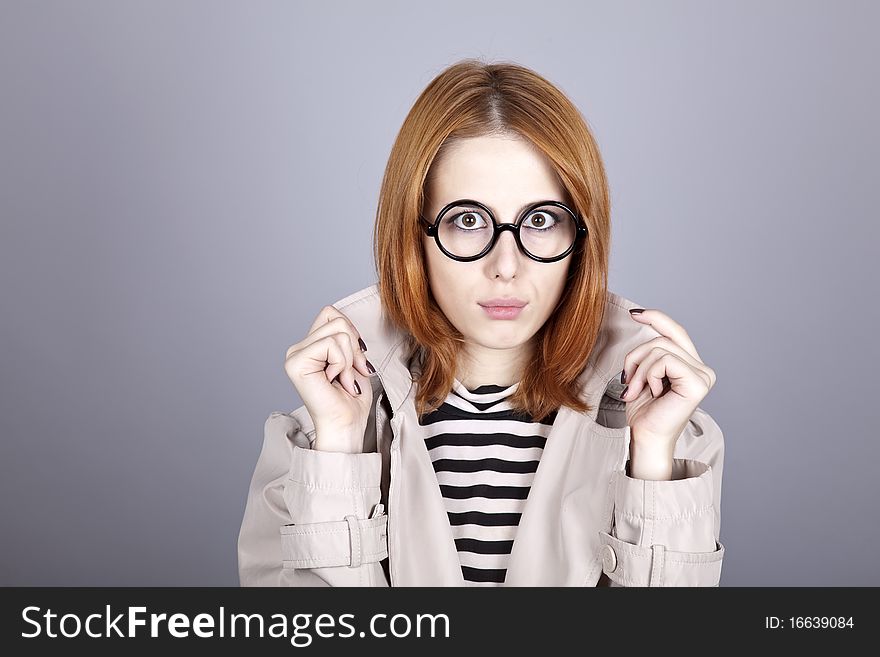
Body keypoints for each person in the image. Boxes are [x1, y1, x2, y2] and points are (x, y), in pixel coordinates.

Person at [237, 59, 724, 587]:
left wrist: (651, 459)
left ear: (582, 238)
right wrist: (337, 451)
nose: (506, 266)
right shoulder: (316, 435)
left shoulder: (673, 439)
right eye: (467, 221)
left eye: (541, 221)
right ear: (414, 233)